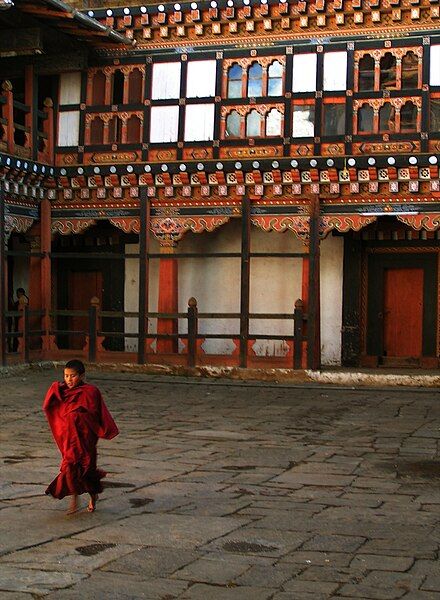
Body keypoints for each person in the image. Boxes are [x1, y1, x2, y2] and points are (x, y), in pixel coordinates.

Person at [43, 359, 119, 515]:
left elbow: (95, 414)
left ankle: (93, 496)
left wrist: (78, 413)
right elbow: (52, 408)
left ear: (82, 376)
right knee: (70, 469)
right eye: (66, 376)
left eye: (73, 376)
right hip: (69, 439)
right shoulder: (62, 392)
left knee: (87, 470)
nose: (69, 380)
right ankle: (74, 501)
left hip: (85, 438)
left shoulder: (91, 392)